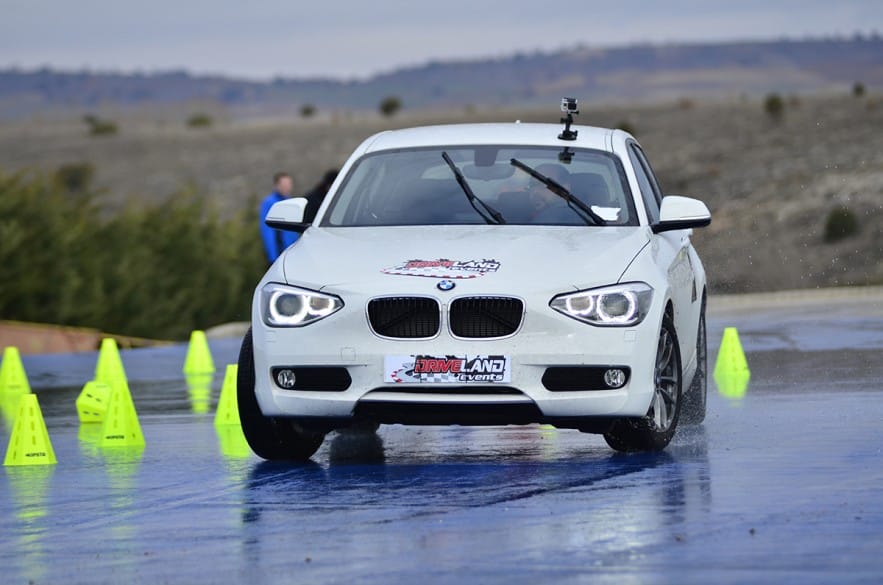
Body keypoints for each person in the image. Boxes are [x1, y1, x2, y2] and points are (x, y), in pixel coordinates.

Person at [259, 172, 299, 265]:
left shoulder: (291, 202)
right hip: (279, 254)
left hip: (292, 254)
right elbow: (267, 231)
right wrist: (273, 257)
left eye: (289, 184)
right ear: (276, 185)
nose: (287, 187)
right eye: (284, 184)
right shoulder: (269, 203)